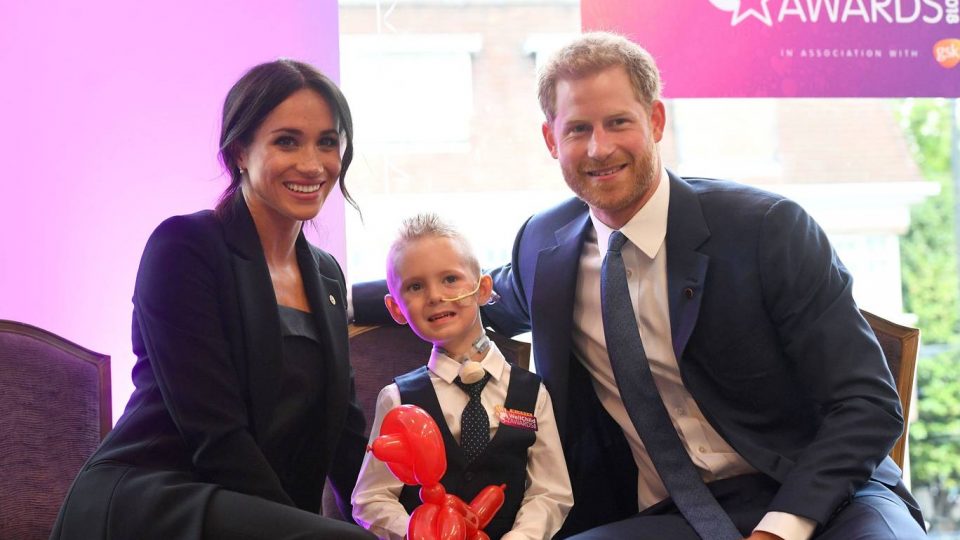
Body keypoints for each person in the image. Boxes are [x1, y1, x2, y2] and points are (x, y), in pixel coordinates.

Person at [354, 33, 926, 540]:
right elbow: (461, 290)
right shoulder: (544, 248)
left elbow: (868, 405)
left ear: (655, 121)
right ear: (551, 140)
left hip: (824, 500)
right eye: (578, 128)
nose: (599, 148)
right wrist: (315, 291)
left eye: (618, 122)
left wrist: (782, 530)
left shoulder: (766, 230)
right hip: (668, 514)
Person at [51, 59, 375, 539]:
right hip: (156, 497)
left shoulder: (326, 275)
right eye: (287, 140)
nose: (312, 163)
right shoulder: (184, 247)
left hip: (250, 508)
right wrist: (305, 528)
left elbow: (344, 435)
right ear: (241, 150)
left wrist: (402, 524)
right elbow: (215, 435)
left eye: (327, 142)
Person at [351, 213, 573, 540]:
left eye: (450, 279)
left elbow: (550, 492)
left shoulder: (532, 393)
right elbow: (371, 498)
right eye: (415, 286)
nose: (435, 296)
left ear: (482, 288)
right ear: (397, 308)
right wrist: (420, 532)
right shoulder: (397, 399)